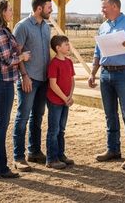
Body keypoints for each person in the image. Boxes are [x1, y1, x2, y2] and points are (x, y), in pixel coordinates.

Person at [88, 0, 125, 170]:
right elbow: (98, 53)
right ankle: (112, 149)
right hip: (105, 75)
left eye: (104, 7)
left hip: (124, 74)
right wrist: (93, 74)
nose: (102, 10)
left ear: (114, 6)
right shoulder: (103, 27)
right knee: (109, 114)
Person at [0, 0, 31, 179]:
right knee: (0, 125)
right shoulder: (1, 32)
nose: (12, 12)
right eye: (9, 9)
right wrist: (22, 56)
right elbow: (9, 59)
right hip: (3, 81)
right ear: (2, 12)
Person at [12, 0, 53, 172]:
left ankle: (34, 151)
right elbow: (17, 53)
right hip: (29, 79)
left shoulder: (46, 27)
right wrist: (24, 76)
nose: (51, 10)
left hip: (43, 79)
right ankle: (18, 157)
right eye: (49, 7)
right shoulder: (22, 27)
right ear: (39, 9)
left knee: (37, 117)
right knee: (22, 118)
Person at [45, 35, 76, 169]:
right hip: (55, 101)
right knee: (54, 130)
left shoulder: (69, 62)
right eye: (66, 44)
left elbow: (72, 80)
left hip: (65, 101)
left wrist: (70, 96)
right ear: (58, 48)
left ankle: (60, 155)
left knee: (61, 129)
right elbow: (53, 85)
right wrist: (65, 98)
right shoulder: (54, 63)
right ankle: (51, 159)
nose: (68, 46)